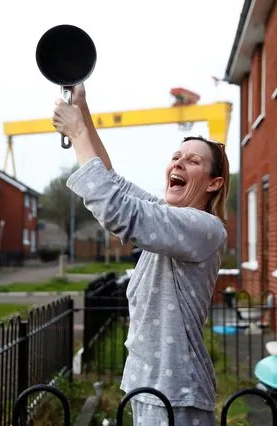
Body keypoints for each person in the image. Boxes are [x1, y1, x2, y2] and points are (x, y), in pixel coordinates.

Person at [52, 84, 230, 426]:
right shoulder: (168, 218)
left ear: (213, 184)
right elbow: (112, 184)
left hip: (176, 392)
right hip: (150, 385)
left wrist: (75, 130)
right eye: (176, 157)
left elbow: (118, 210)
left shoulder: (204, 227)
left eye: (193, 161)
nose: (179, 163)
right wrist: (84, 111)